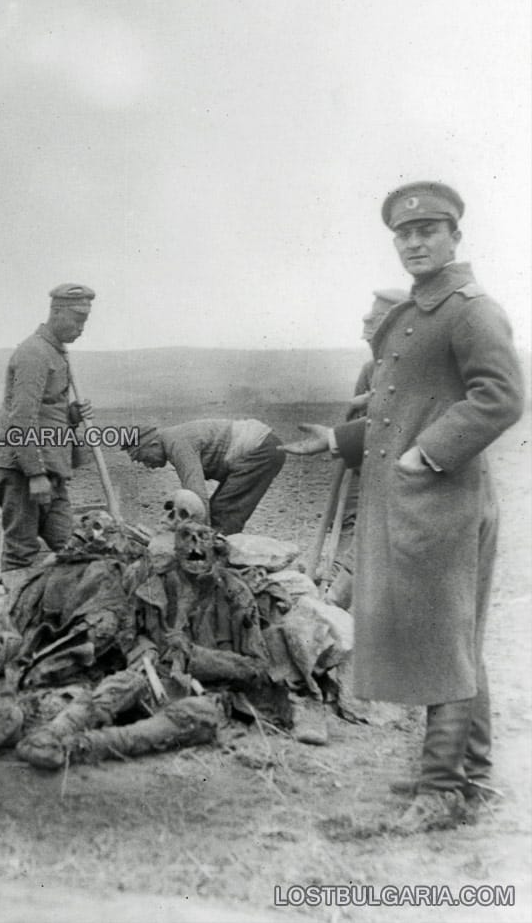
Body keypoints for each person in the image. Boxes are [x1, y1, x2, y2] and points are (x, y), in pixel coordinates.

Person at [282, 182, 524, 828]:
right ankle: (467, 781)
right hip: (416, 507)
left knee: (444, 644)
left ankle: (441, 790)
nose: (415, 242)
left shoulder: (470, 311)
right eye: (405, 234)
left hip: (445, 504)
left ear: (455, 237)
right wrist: (337, 438)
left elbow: (501, 396)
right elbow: (399, 417)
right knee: (456, 641)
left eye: (429, 231)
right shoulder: (413, 312)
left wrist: (430, 453)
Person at [0, 284, 96, 582]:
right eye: (76, 320)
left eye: (85, 321)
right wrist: (35, 474)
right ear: (56, 312)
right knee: (21, 552)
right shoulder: (34, 353)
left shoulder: (55, 353)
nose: (81, 329)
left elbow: (46, 410)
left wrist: (70, 415)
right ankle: (11, 622)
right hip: (21, 470)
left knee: (71, 546)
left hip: (51, 468)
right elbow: (21, 418)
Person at [325, 286, 409, 608]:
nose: (367, 332)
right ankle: (335, 593)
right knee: (350, 523)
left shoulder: (418, 369)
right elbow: (355, 418)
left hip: (400, 473)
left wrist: (366, 401)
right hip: (366, 464)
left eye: (374, 322)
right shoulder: (369, 370)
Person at [122, 418, 285, 535]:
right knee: (220, 514)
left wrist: (197, 534)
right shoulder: (172, 439)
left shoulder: (176, 443)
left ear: (153, 445)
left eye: (143, 458)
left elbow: (196, 496)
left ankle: (215, 566)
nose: (147, 466)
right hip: (260, 447)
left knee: (223, 514)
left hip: (261, 449)